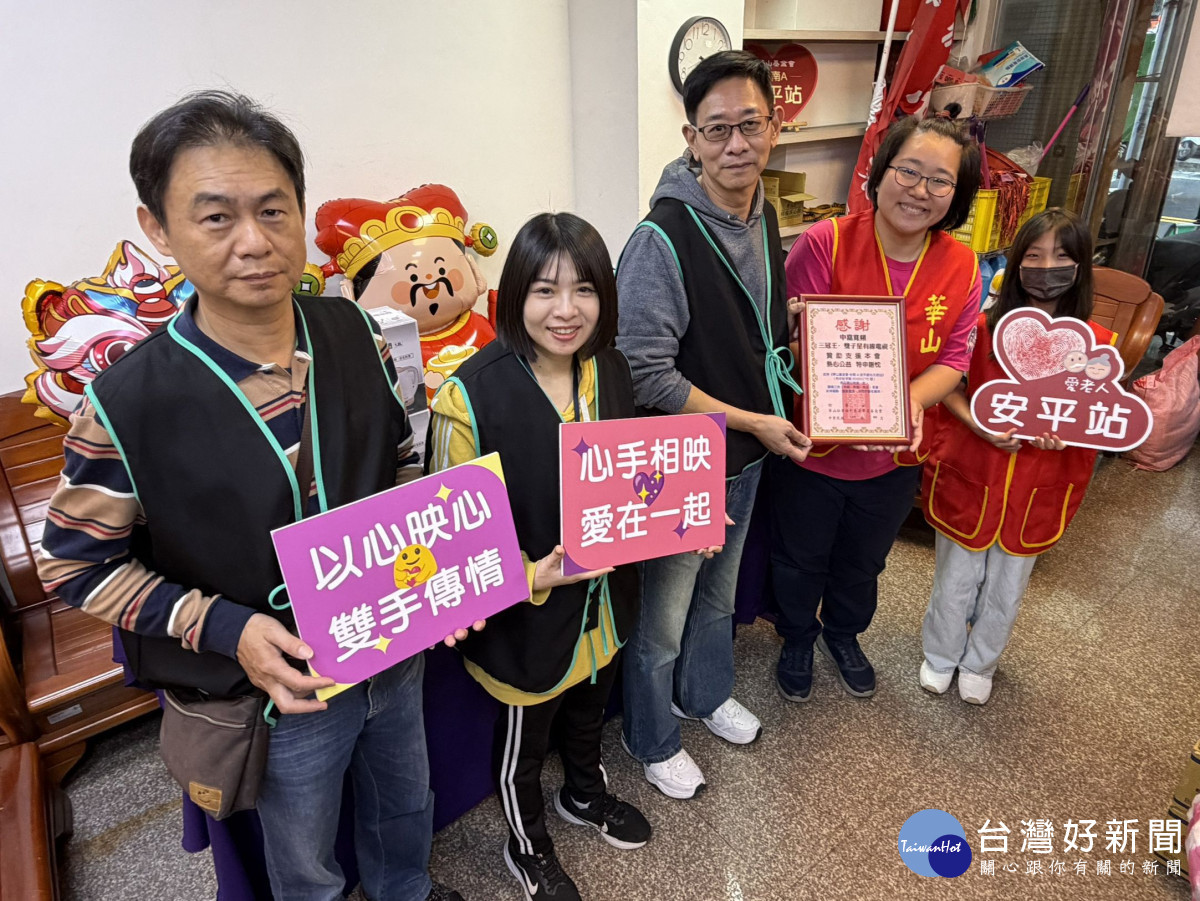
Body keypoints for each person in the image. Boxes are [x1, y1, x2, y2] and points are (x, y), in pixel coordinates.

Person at [35, 91, 464, 901]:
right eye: (216, 217)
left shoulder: (355, 333)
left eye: (273, 209)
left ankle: (406, 887)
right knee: (303, 855)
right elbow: (76, 566)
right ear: (159, 228)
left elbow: (399, 459)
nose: (255, 241)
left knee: (404, 805)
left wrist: (440, 559)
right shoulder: (128, 403)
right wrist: (230, 630)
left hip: (390, 647)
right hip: (277, 687)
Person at [426, 212, 653, 901]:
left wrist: (683, 517)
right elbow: (448, 547)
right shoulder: (468, 396)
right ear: (514, 293)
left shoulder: (610, 368)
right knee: (525, 742)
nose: (566, 310)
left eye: (584, 289)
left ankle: (583, 792)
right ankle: (526, 844)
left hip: (604, 603)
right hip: (527, 616)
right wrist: (532, 574)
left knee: (589, 709)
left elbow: (634, 476)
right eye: (544, 290)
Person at [615, 49, 812, 800]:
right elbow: (646, 374)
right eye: (717, 129)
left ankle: (703, 694)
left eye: (750, 125)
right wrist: (756, 420)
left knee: (720, 596)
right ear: (691, 138)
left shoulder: (763, 213)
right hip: (681, 463)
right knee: (664, 614)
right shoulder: (660, 239)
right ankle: (650, 735)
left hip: (748, 451)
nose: (736, 144)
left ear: (775, 127)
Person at [771, 116, 982, 703]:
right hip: (814, 448)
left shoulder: (963, 267)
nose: (919, 190)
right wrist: (795, 337)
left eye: (939, 181)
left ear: (957, 195)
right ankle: (796, 637)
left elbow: (955, 359)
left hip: (896, 455)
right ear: (881, 171)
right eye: (908, 171)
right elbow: (789, 344)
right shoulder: (826, 242)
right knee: (799, 558)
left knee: (864, 563)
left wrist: (907, 401)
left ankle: (843, 634)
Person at [919, 208, 1112, 705]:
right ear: (1016, 262)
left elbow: (1099, 417)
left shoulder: (1098, 347)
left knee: (1007, 585)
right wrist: (977, 423)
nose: (1047, 268)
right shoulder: (981, 328)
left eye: (1062, 257)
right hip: (973, 469)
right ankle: (940, 655)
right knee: (955, 577)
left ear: (1081, 266)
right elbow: (948, 387)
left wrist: (1066, 434)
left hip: (1039, 482)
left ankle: (980, 662)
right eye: (1034, 255)